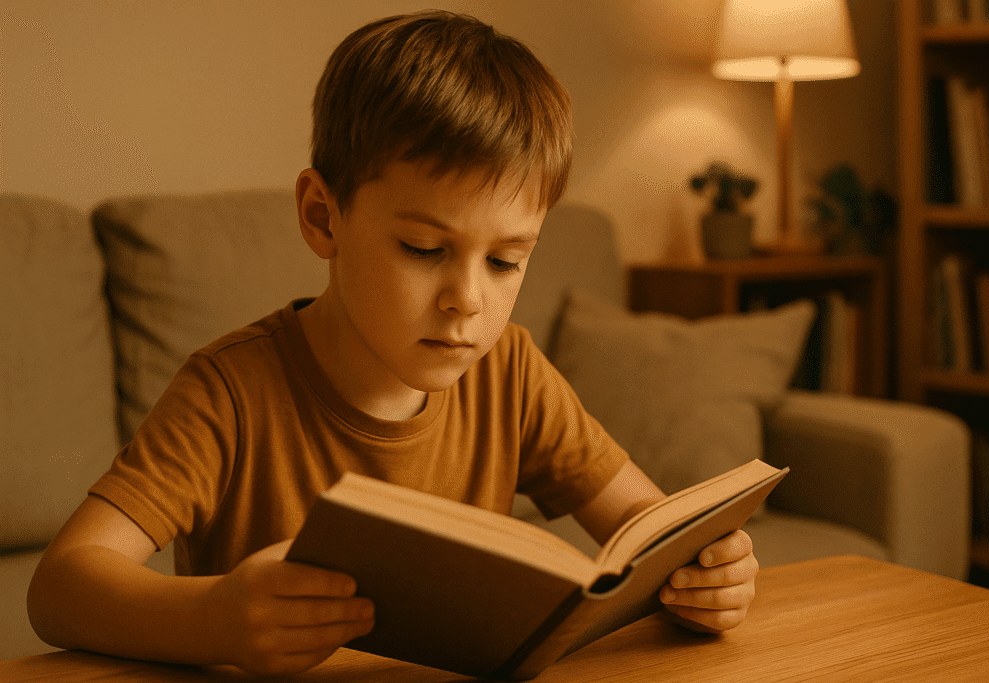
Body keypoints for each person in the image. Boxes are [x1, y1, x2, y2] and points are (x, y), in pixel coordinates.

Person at [27, 10, 758, 676]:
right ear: (323, 217)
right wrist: (214, 619)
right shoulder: (229, 393)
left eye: (506, 261)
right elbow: (61, 585)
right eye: (422, 247)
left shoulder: (511, 372)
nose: (468, 299)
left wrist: (706, 572)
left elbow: (647, 529)